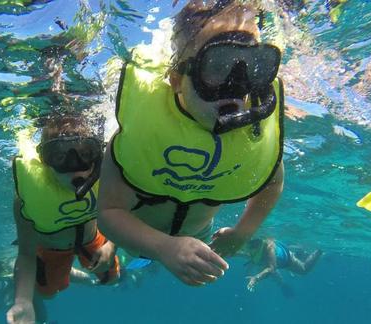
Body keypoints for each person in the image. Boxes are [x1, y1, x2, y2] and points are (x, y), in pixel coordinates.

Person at [98, 0, 285, 286]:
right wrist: (164, 247)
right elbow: (109, 213)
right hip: (138, 238)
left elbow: (272, 183)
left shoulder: (253, 136)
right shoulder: (142, 134)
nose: (236, 86)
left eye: (252, 69)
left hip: (199, 235)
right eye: (217, 67)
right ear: (176, 80)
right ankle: (114, 251)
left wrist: (241, 233)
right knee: (131, 252)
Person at [7, 114, 120, 324]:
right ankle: (67, 271)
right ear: (45, 161)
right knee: (47, 293)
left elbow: (124, 215)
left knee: (112, 279)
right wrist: (23, 301)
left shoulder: (107, 178)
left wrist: (111, 246)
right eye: (60, 157)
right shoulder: (26, 198)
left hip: (92, 239)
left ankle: (74, 270)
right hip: (51, 250)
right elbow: (26, 253)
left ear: (96, 155)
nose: (75, 167)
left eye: (85, 154)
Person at [242, 237, 323, 292]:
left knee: (304, 270)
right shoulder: (251, 249)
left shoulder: (269, 248)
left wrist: (256, 278)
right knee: (260, 267)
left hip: (287, 260)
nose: (247, 251)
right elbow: (238, 253)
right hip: (280, 259)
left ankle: (319, 250)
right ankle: (300, 253)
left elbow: (271, 268)